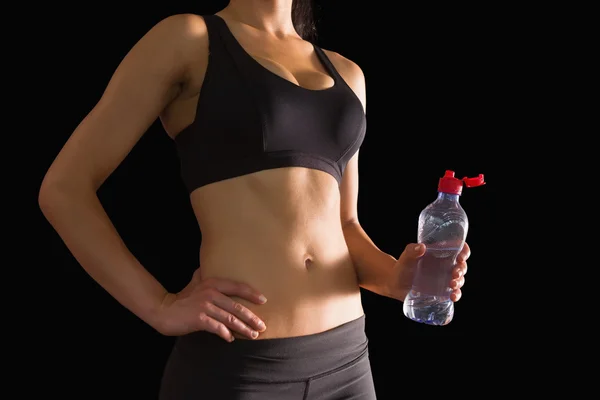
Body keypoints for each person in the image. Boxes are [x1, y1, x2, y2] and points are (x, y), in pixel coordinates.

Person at [38, 0, 470, 398]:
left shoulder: (348, 74)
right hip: (240, 370)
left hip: (348, 363)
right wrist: (159, 306)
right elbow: (64, 189)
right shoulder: (189, 39)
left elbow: (345, 227)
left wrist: (397, 279)